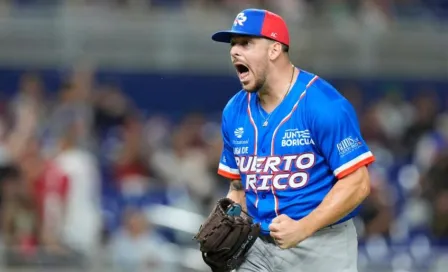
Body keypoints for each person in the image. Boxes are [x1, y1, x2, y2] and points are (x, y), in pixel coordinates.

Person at [211, 8, 376, 272]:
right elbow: (239, 185)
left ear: (274, 49)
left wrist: (303, 227)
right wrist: (230, 218)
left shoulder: (323, 104)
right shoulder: (234, 111)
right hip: (256, 245)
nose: (234, 51)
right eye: (233, 44)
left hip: (320, 243)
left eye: (246, 43)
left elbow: (358, 183)